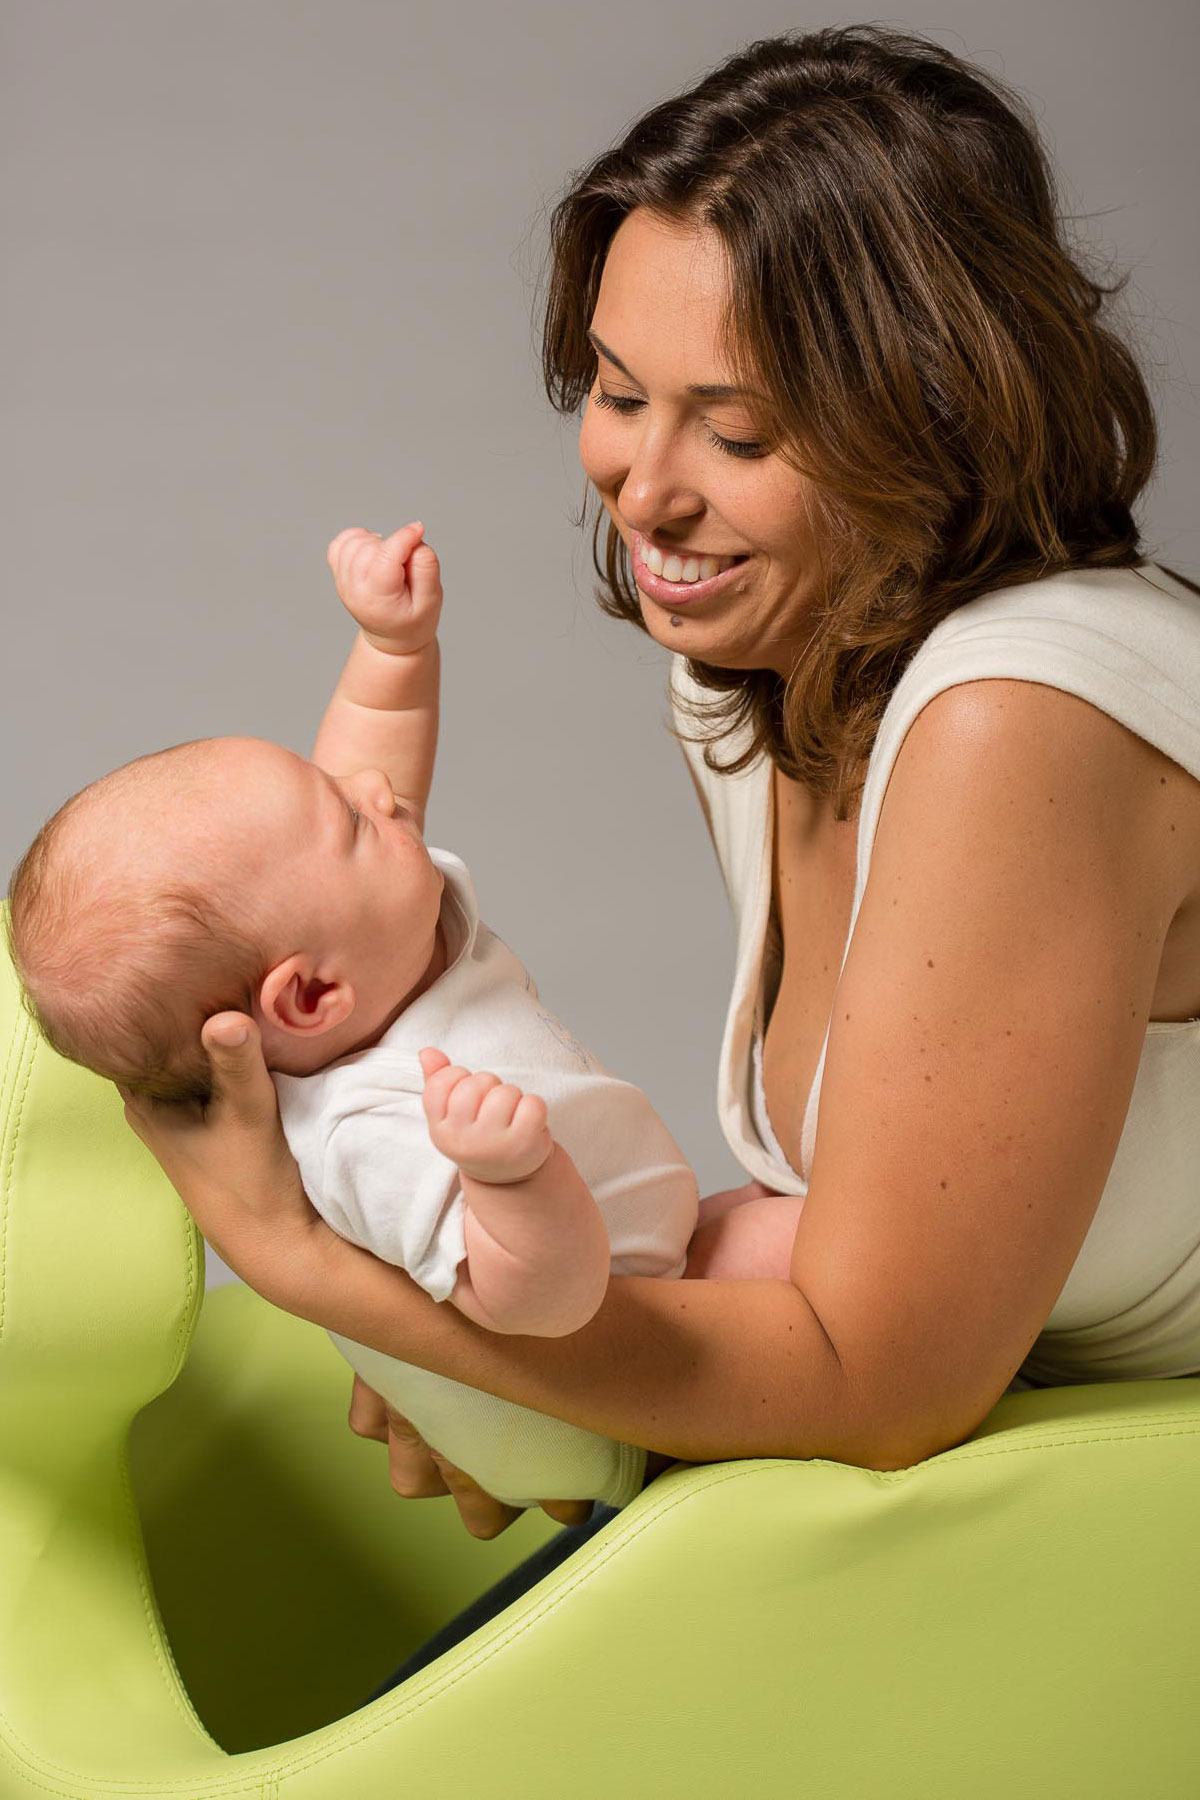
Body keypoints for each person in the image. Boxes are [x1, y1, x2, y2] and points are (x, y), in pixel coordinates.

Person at [110, 20, 1200, 1690]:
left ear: (937, 417)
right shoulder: (769, 676)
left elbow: (881, 1378)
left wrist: (315, 1269)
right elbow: (856, 1235)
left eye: (739, 432)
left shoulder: (1021, 718)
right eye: (619, 394)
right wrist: (512, 1334)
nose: (648, 489)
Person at [5, 521, 708, 1510]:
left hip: (647, 1274)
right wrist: (513, 1179)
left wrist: (391, 650)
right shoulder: (375, 1128)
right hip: (605, 1397)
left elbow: (362, 777)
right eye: (351, 820)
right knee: (803, 1258)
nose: (379, 792)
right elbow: (539, 1310)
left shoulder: (365, 957)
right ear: (309, 996)